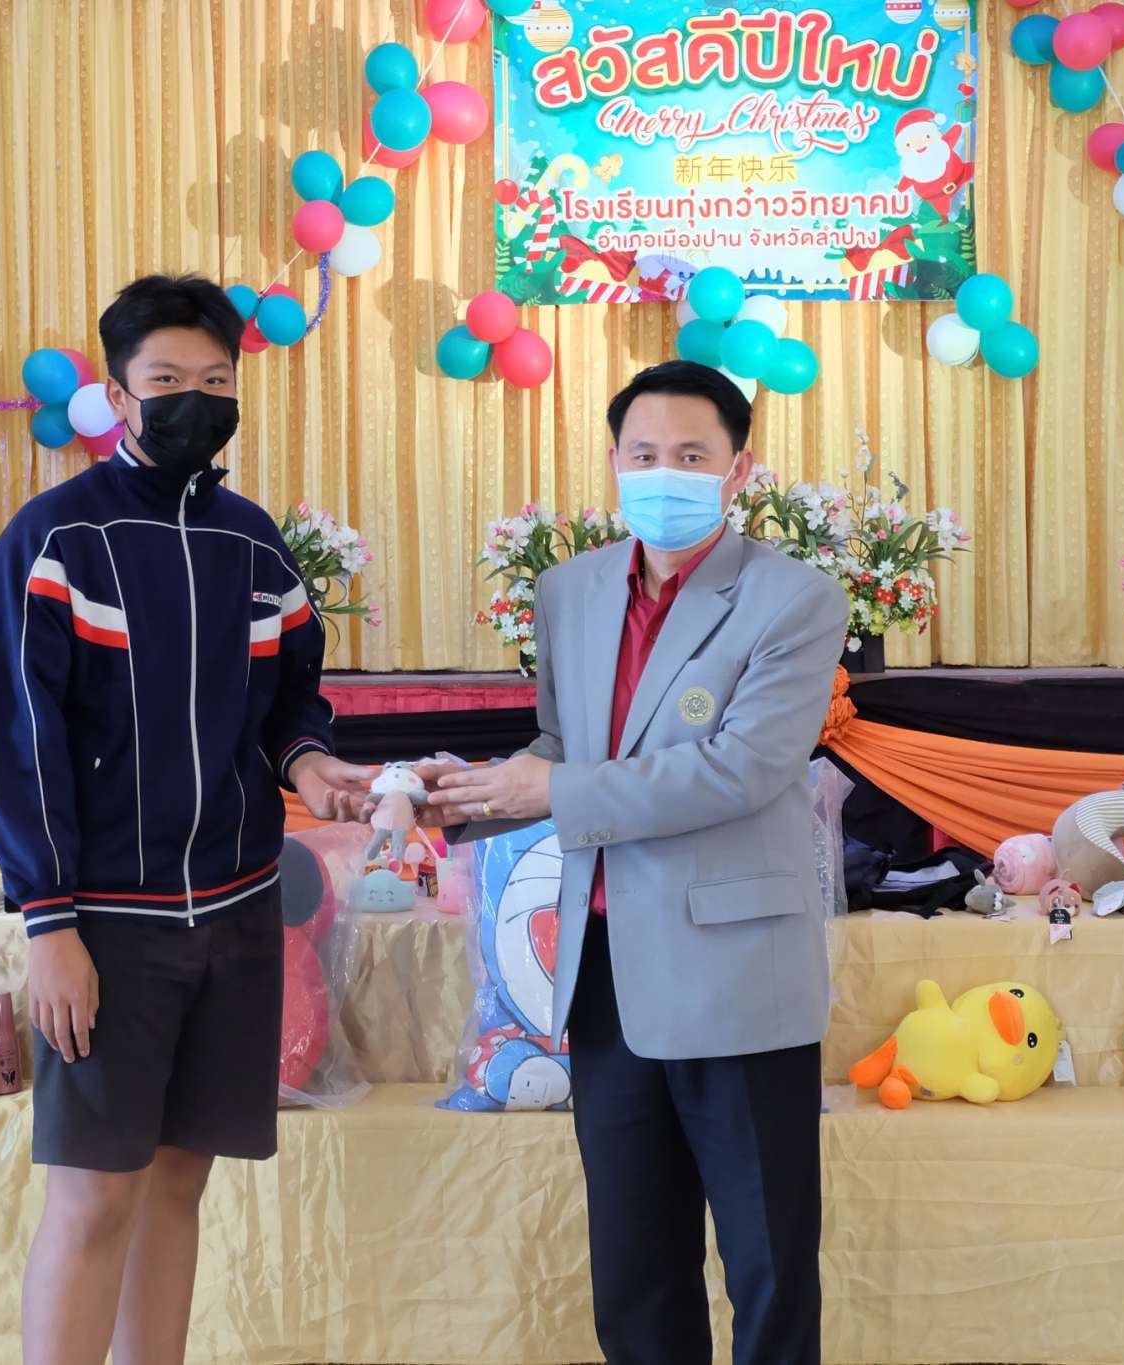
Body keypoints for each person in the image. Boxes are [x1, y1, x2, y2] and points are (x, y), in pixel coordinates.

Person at [0, 273, 374, 1365]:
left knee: (179, 1183)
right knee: (96, 1194)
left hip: (237, 916)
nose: (195, 398)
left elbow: (289, 701)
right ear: (116, 395)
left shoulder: (254, 544)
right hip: (107, 925)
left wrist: (314, 767)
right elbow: (15, 741)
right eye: (166, 380)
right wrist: (50, 924)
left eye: (215, 380)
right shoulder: (58, 540)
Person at [426, 360, 849, 1365]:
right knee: (634, 1272)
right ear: (614, 461)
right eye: (645, 453)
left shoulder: (792, 600)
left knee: (767, 1269)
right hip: (606, 973)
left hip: (737, 975)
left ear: (738, 469)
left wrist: (552, 790)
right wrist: (462, 793)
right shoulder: (569, 591)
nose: (666, 473)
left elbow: (741, 768)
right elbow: (562, 748)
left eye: (692, 455)